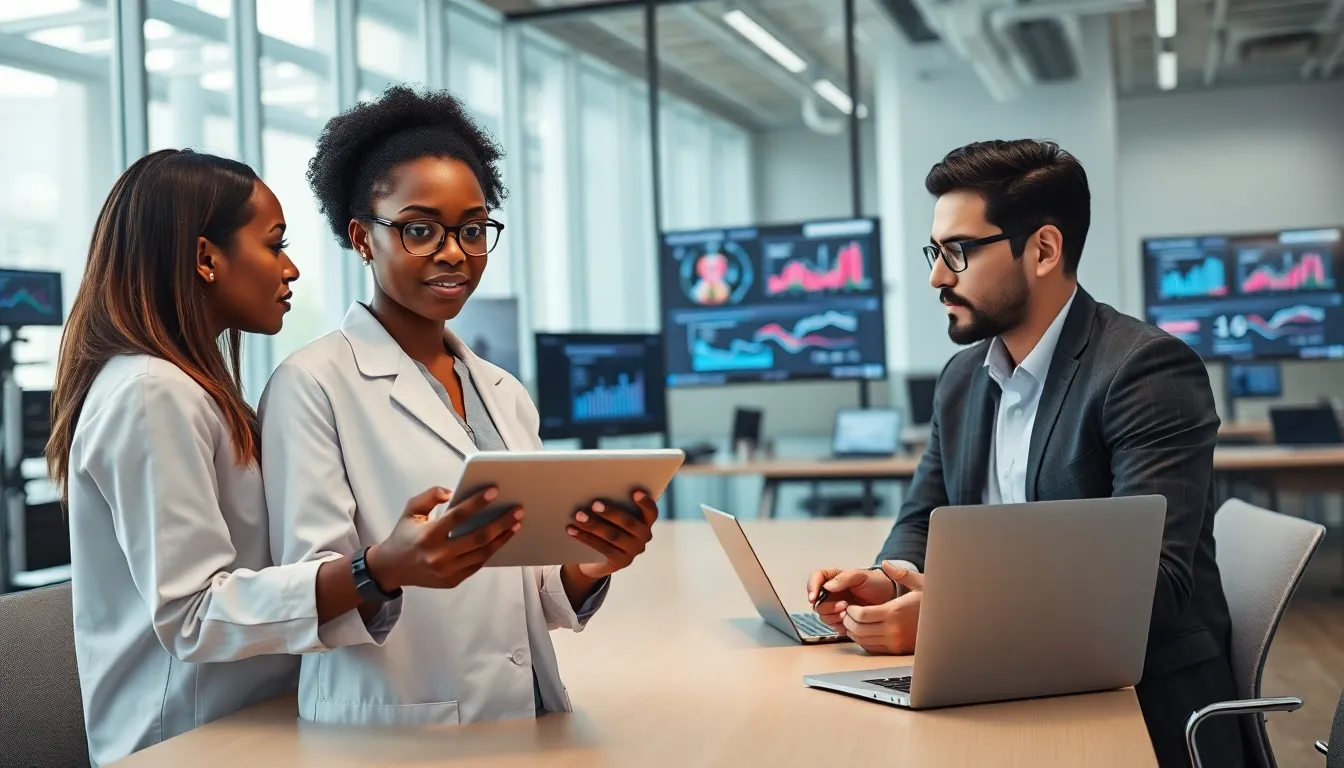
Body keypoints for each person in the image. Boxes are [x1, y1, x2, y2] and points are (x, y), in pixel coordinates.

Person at [48, 149, 504, 766]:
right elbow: (192, 616)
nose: (290, 270)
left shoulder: (190, 390)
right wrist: (374, 570)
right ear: (208, 257)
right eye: (273, 244)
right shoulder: (150, 393)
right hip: (187, 742)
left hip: (253, 725)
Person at [806, 139, 1244, 768]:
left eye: (957, 252)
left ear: (1042, 249)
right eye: (934, 252)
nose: (936, 276)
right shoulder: (962, 379)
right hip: (1006, 689)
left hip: (1135, 708)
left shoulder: (1145, 371)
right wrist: (887, 580)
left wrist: (952, 621)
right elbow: (924, 516)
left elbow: (1154, 588)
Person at [258, 85, 658, 726]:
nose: (454, 252)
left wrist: (590, 563)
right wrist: (389, 567)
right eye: (420, 230)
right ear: (362, 238)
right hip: (397, 726)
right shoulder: (312, 383)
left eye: (472, 229)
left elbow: (534, 597)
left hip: (528, 715)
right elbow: (309, 593)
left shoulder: (504, 392)